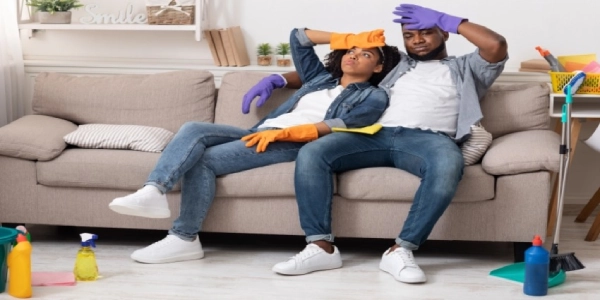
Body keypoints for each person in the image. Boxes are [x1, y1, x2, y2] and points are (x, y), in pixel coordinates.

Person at [249, 4, 508, 282]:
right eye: (409, 35)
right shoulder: (394, 64)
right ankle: (320, 247)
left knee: (447, 164)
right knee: (314, 152)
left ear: (444, 34)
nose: (417, 40)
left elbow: (496, 45)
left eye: (426, 32)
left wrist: (447, 19)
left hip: (429, 139)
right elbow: (329, 68)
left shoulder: (466, 67)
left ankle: (401, 250)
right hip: (374, 132)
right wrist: (278, 78)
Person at [107, 27, 401, 264]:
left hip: (293, 144)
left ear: (378, 67)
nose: (354, 55)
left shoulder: (373, 96)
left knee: (204, 159)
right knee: (192, 128)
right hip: (259, 131)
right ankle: (153, 190)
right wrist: (347, 36)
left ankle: (183, 238)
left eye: (365, 54)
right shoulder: (320, 79)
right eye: (351, 50)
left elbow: (349, 125)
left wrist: (287, 134)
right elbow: (299, 37)